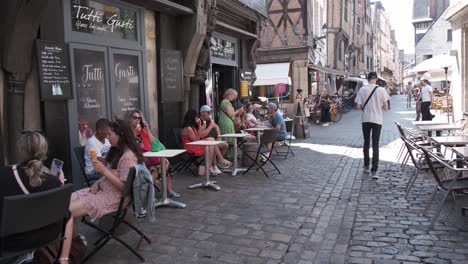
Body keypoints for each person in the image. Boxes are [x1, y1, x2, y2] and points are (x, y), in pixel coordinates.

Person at [59, 119, 144, 263]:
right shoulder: (118, 151)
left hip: (113, 198)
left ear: (121, 135)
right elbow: (112, 172)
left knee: (66, 212)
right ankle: (76, 243)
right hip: (104, 191)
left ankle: (64, 259)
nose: (107, 137)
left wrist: (103, 171)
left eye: (110, 134)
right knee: (65, 201)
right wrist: (99, 181)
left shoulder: (128, 157)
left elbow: (125, 188)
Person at [0, 131, 65, 262]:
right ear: (44, 152)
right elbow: (62, 213)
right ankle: (64, 259)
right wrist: (61, 185)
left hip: (11, 242)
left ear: (19, 151)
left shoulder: (3, 176)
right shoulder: (53, 181)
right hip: (48, 235)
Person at [128, 110, 180, 198]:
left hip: (149, 159)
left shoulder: (142, 132)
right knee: (155, 168)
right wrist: (135, 133)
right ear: (130, 119)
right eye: (135, 118)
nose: (137, 120)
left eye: (139, 118)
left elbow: (156, 144)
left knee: (166, 162)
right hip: (137, 162)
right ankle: (149, 195)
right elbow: (133, 147)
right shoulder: (128, 133)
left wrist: (147, 130)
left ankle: (169, 190)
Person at [355, 71, 390, 179]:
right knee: (375, 144)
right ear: (376, 79)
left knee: (366, 142)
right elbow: (386, 107)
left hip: (365, 119)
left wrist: (366, 107)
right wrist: (379, 106)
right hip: (377, 120)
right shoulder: (381, 90)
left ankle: (366, 165)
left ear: (367, 79)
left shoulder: (362, 89)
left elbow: (358, 106)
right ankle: (374, 169)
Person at [181, 109, 232, 176]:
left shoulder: (192, 127)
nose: (198, 118)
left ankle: (215, 164)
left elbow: (198, 138)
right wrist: (201, 127)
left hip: (196, 144)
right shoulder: (188, 128)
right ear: (192, 118)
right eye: (196, 117)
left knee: (212, 140)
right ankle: (214, 164)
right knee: (211, 143)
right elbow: (195, 140)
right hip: (191, 147)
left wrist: (200, 127)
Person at [218, 88, 245, 159]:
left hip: (226, 122)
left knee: (229, 140)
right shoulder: (226, 102)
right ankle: (225, 158)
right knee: (228, 140)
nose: (234, 98)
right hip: (226, 122)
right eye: (233, 96)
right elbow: (230, 114)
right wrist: (238, 111)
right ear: (229, 94)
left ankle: (228, 157)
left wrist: (238, 113)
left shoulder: (225, 102)